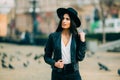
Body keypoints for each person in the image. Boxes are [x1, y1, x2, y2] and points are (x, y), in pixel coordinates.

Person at [44, 7, 86, 80]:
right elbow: (46, 57)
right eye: (63, 18)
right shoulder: (53, 37)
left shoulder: (77, 37)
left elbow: (80, 57)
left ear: (72, 21)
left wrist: (82, 41)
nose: (64, 21)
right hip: (57, 74)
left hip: (73, 74)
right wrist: (55, 63)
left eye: (67, 19)